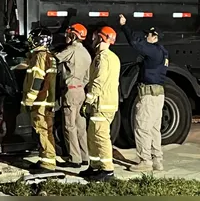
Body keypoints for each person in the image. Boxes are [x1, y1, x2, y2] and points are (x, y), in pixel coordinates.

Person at [119, 14, 168, 172]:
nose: (146, 36)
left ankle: (145, 161)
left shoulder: (153, 50)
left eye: (149, 34)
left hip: (149, 95)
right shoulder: (162, 51)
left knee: (141, 127)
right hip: (158, 95)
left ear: (155, 36)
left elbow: (135, 43)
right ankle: (157, 160)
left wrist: (125, 26)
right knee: (154, 129)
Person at [79, 26, 120, 182]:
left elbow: (98, 82)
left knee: (101, 137)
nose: (93, 39)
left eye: (96, 37)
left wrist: (88, 100)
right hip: (105, 103)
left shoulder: (102, 58)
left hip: (101, 104)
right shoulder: (112, 57)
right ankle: (95, 166)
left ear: (102, 39)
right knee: (92, 136)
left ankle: (107, 170)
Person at [21, 27, 58, 174]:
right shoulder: (49, 56)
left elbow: (37, 79)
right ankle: (47, 160)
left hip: (40, 101)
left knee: (41, 131)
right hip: (48, 101)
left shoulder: (40, 57)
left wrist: (29, 99)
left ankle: (47, 165)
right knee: (47, 131)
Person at [55, 23, 91, 168]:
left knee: (69, 126)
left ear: (73, 35)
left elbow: (54, 59)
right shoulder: (86, 53)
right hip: (81, 91)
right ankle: (84, 157)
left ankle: (74, 159)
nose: (66, 37)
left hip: (70, 91)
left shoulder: (70, 50)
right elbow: (87, 78)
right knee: (80, 126)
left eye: (68, 34)